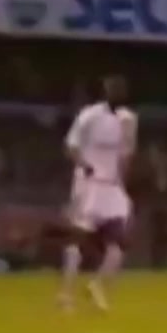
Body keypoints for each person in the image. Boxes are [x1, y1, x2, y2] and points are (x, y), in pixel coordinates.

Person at [57, 75, 137, 312]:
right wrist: (85, 166)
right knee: (78, 240)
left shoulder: (128, 119)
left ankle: (97, 286)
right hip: (89, 184)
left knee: (119, 243)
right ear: (105, 92)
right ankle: (66, 293)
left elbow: (127, 154)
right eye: (113, 90)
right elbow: (71, 146)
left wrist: (123, 183)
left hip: (112, 186)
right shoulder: (89, 116)